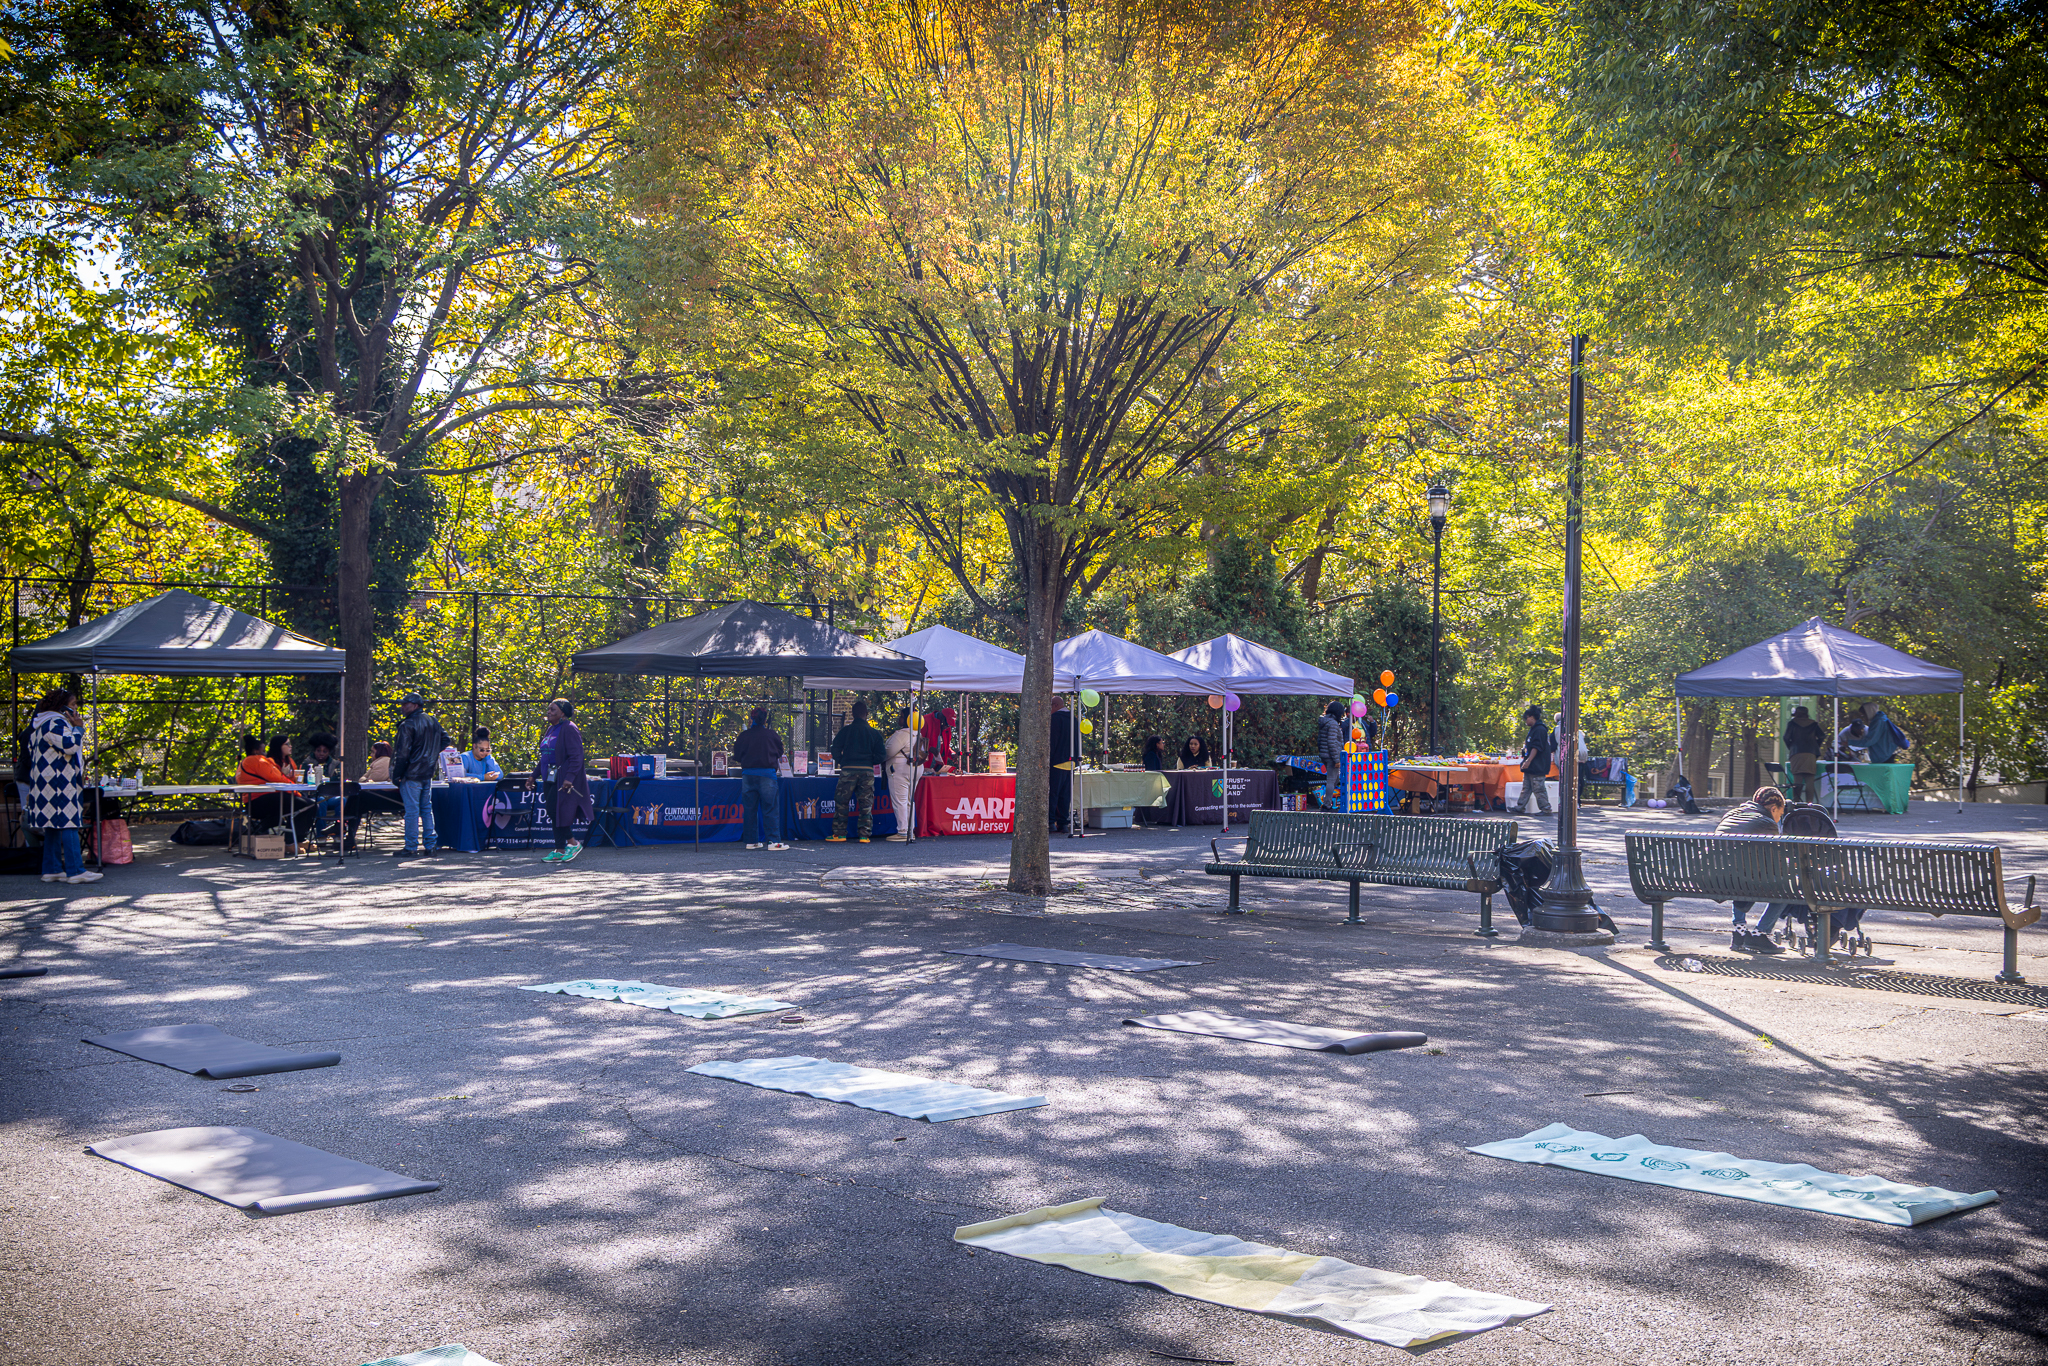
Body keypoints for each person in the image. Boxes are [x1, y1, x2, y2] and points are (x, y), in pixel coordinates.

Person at [25, 688, 96, 884]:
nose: (75, 710)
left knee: (53, 826)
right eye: (73, 705)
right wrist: (79, 728)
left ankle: (52, 869)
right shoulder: (55, 722)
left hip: (44, 782)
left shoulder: (39, 724)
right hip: (60, 781)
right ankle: (76, 871)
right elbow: (70, 746)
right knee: (70, 822)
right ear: (62, 707)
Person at [1715, 785, 1790, 954]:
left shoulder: (1730, 815)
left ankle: (1739, 931)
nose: (1779, 818)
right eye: (1780, 813)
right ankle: (1760, 933)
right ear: (1773, 808)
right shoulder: (1766, 823)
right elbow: (1776, 865)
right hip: (1744, 880)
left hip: (1720, 878)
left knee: (1739, 872)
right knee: (1788, 887)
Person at [389, 691, 450, 857]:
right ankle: (430, 845)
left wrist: (397, 774)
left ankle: (411, 847)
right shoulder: (432, 721)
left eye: (405, 704)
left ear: (415, 705)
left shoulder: (407, 725)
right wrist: (430, 754)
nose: (402, 707)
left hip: (412, 773)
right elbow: (446, 739)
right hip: (427, 771)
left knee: (412, 811)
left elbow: (402, 754)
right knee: (426, 809)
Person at [529, 698, 590, 863]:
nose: (549, 712)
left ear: (562, 713)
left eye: (553, 710)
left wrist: (570, 777)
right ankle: (559, 849)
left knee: (557, 811)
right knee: (552, 811)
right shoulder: (551, 729)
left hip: (563, 778)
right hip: (549, 776)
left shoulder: (569, 728)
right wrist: (533, 775)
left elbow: (577, 756)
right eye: (549, 709)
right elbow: (545, 756)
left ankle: (572, 843)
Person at [234, 734, 315, 837]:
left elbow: (278, 778)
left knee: (305, 804)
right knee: (309, 805)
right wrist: (297, 792)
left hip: (253, 802)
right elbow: (277, 778)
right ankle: (293, 841)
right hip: (260, 801)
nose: (265, 755)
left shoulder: (245, 762)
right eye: (263, 751)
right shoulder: (257, 761)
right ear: (256, 751)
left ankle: (294, 840)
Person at [827, 701, 886, 843]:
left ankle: (839, 834)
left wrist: (842, 760)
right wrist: (870, 761)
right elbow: (882, 755)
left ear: (852, 714)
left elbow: (834, 748)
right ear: (867, 714)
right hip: (867, 771)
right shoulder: (874, 733)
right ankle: (864, 835)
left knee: (842, 801)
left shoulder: (845, 731)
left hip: (848, 770)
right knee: (866, 803)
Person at [732, 706, 788, 851]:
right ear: (765, 719)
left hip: (748, 775)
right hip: (767, 775)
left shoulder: (744, 736)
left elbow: (737, 756)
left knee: (750, 809)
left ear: (752, 719)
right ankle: (773, 841)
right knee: (770, 808)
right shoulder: (771, 735)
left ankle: (751, 841)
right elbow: (780, 752)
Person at [883, 708, 923, 843]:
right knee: (909, 800)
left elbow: (888, 751)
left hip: (900, 769)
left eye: (901, 717)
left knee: (900, 800)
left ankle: (902, 832)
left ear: (907, 719)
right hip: (916, 769)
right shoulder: (919, 734)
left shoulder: (902, 734)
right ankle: (909, 830)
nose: (899, 719)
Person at [1511, 705, 1553, 815]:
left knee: (1538, 788)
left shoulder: (1540, 730)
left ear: (1532, 717)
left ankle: (1546, 808)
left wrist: (1528, 760)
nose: (1525, 721)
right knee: (1526, 787)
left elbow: (1536, 747)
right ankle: (1520, 806)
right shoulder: (1533, 729)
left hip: (1537, 764)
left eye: (1526, 718)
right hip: (1531, 765)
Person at [1782, 705, 1825, 803]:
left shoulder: (1792, 724)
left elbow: (1786, 738)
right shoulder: (1814, 724)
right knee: (1810, 779)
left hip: (1796, 753)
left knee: (1797, 779)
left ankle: (1796, 802)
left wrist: (1792, 746)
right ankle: (1809, 803)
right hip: (1811, 753)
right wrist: (1816, 745)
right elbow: (1822, 736)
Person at [1048, 696, 1075, 833]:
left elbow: (1052, 742)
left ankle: (1051, 822)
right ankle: (1063, 823)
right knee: (1065, 795)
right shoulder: (1074, 719)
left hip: (1057, 762)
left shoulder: (1055, 719)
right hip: (1071, 763)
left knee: (1053, 794)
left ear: (1055, 705)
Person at [1316, 702, 1347, 777]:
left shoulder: (1325, 721)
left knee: (1335, 779)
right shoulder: (1333, 723)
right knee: (1332, 780)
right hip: (1331, 756)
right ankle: (1330, 789)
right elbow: (1332, 743)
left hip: (1324, 754)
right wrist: (1336, 760)